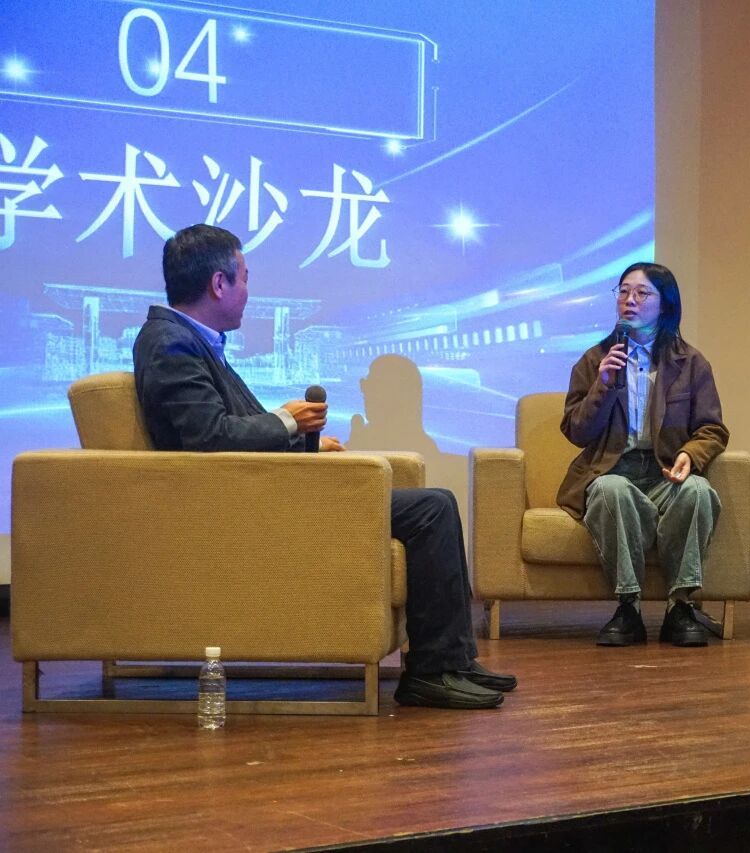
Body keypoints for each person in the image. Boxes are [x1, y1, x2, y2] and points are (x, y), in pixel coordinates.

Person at [132, 224, 515, 709]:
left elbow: (225, 432)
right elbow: (209, 436)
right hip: (238, 507)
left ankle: (452, 662)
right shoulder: (171, 343)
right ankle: (433, 672)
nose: (249, 290)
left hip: (255, 491)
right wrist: (287, 421)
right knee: (431, 509)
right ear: (218, 283)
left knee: (436, 503)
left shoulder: (192, 340)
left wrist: (305, 448)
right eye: (245, 277)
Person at [558, 262, 728, 647]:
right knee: (611, 491)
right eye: (623, 291)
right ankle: (628, 608)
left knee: (699, 491)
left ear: (665, 305)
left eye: (641, 293)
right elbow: (576, 431)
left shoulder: (691, 363)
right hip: (613, 470)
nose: (629, 300)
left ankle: (680, 606)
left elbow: (712, 428)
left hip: (666, 472)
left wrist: (691, 454)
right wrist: (602, 385)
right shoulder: (594, 360)